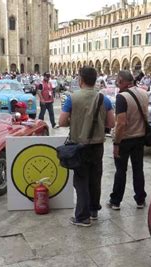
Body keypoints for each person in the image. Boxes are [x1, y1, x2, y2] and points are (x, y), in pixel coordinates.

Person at [58, 67, 115, 227]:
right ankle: (93, 211)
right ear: (95, 80)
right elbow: (111, 123)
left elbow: (62, 122)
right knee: (95, 179)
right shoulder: (104, 99)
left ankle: (82, 217)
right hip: (97, 146)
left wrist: (76, 122)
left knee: (81, 180)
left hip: (79, 146)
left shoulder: (72, 98)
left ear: (80, 80)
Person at [107, 70, 148, 210]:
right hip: (140, 137)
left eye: (118, 81)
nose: (117, 83)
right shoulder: (144, 93)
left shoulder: (122, 97)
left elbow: (121, 123)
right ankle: (140, 199)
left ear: (123, 81)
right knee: (138, 169)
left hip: (125, 139)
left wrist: (116, 143)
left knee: (120, 171)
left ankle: (116, 201)